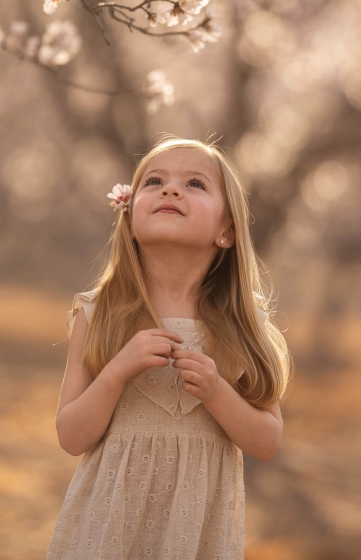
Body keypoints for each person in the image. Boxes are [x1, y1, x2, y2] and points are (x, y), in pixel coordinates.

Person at [47, 137, 290, 560]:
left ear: (227, 231)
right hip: (109, 532)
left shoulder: (242, 321)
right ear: (129, 214)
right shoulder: (99, 311)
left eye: (194, 184)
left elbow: (267, 442)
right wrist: (117, 370)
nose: (171, 190)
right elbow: (71, 436)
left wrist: (217, 392)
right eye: (154, 181)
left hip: (196, 535)